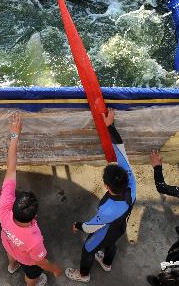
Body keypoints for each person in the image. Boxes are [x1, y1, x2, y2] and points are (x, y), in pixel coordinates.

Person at [65, 108, 136, 283]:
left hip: (106, 230)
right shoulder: (131, 186)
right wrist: (110, 126)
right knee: (111, 245)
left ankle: (83, 275)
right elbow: (121, 150)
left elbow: (91, 227)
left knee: (88, 249)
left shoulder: (107, 209)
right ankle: (106, 263)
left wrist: (78, 225)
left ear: (106, 186)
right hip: (120, 228)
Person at [0, 113, 63, 286]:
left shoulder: (4, 209)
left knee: (11, 252)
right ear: (34, 217)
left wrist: (14, 136)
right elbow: (40, 261)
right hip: (28, 259)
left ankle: (11, 266)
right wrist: (54, 269)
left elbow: (11, 169)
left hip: (8, 242)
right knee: (33, 275)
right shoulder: (34, 240)